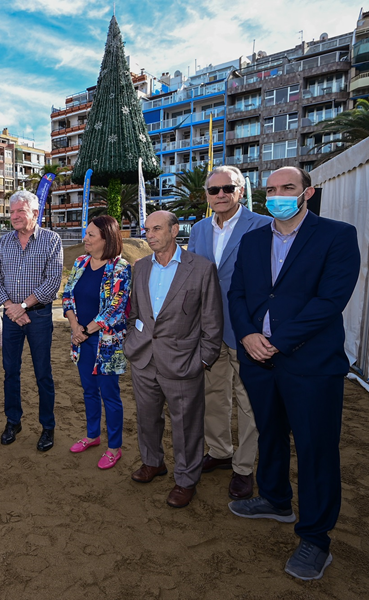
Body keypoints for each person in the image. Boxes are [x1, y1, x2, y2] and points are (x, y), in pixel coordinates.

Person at [227, 166, 360, 581]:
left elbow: (330, 300)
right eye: (271, 189)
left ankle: (316, 539)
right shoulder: (251, 240)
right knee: (269, 431)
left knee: (315, 448)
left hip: (311, 364)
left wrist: (279, 341)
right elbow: (238, 293)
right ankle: (275, 499)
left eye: (288, 188)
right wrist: (248, 335)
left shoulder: (337, 235)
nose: (278, 194)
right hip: (258, 360)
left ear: (308, 192)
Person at [124, 210, 223, 508]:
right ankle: (153, 462)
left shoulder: (201, 268)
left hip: (183, 362)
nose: (149, 235)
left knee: (186, 425)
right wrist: (133, 343)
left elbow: (212, 320)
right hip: (143, 359)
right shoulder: (140, 267)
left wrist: (204, 360)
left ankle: (186, 479)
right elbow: (135, 314)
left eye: (156, 229)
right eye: (146, 229)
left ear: (174, 230)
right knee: (146, 418)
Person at [188, 166, 272, 500]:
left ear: (240, 191)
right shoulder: (198, 229)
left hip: (248, 330)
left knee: (249, 401)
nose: (220, 195)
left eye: (228, 188)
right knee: (212, 396)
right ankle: (220, 451)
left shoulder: (264, 226)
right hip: (208, 329)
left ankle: (244, 467)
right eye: (214, 190)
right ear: (207, 196)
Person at [0, 190, 63, 451]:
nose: (15, 216)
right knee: (11, 372)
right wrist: (11, 308)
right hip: (10, 318)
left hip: (39, 316)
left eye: (20, 211)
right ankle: (13, 421)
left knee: (43, 373)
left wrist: (22, 307)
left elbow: (53, 282)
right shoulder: (4, 242)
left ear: (35, 212)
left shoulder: (52, 240)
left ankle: (47, 427)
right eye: (11, 212)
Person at [62, 215, 131, 469]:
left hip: (106, 344)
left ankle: (114, 447)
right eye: (86, 233)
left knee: (110, 395)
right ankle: (93, 435)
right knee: (89, 391)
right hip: (82, 340)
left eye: (91, 235)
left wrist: (86, 331)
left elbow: (115, 308)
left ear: (107, 238)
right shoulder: (80, 262)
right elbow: (67, 296)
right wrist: (75, 328)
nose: (85, 238)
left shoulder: (120, 268)